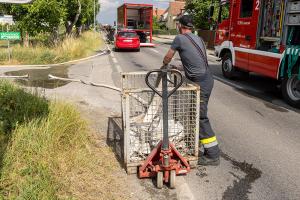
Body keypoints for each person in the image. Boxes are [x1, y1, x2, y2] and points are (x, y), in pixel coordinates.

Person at [162, 15, 220, 166]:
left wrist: (164, 65)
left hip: (201, 82)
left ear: (180, 26)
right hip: (206, 78)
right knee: (193, 112)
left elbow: (168, 55)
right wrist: (179, 67)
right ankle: (195, 142)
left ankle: (212, 155)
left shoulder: (179, 38)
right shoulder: (198, 39)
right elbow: (196, 62)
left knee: (200, 116)